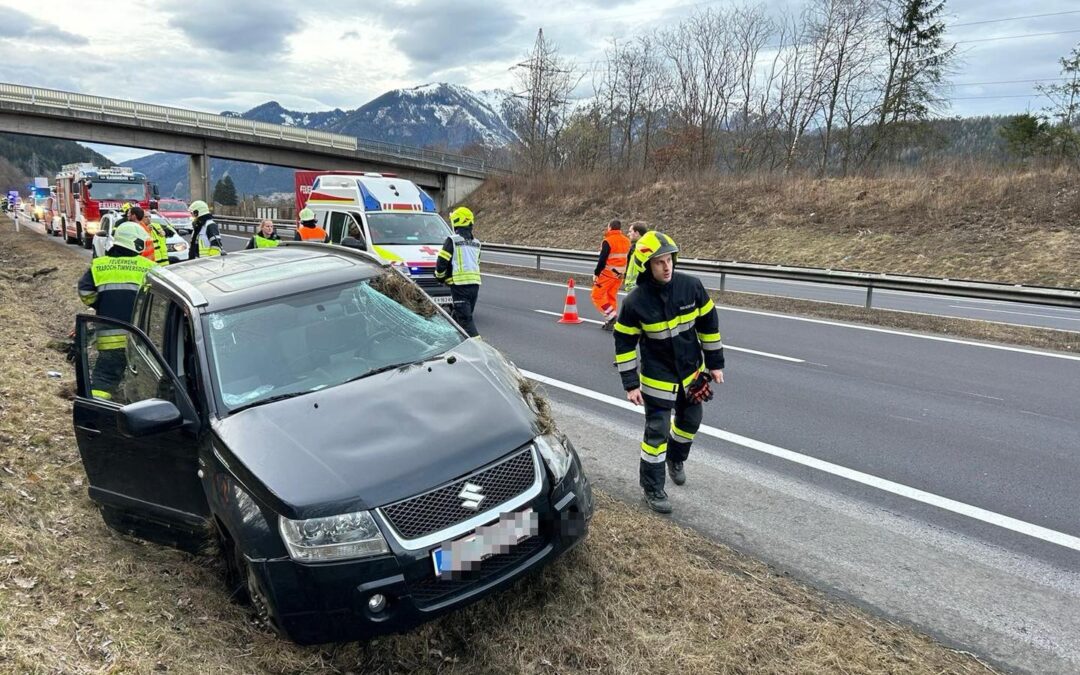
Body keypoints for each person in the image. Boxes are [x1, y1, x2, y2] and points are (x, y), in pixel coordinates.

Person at [613, 231, 725, 514]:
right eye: (658, 262)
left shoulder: (691, 287)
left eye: (669, 260)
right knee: (656, 432)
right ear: (646, 266)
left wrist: (715, 363)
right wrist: (630, 384)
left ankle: (675, 459)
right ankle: (652, 488)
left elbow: (709, 323)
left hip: (692, 373)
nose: (667, 267)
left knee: (691, 421)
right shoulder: (636, 302)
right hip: (657, 379)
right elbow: (624, 344)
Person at [77, 222, 157, 400]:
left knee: (105, 377)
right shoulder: (149, 267)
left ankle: (97, 410)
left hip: (109, 338)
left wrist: (101, 304)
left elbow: (85, 292)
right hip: (140, 340)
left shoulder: (99, 265)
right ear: (137, 243)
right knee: (144, 381)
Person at [435, 206, 482, 337]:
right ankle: (450, 342)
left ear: (457, 221)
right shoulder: (477, 243)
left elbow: (441, 262)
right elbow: (475, 263)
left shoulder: (452, 240)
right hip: (475, 286)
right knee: (457, 319)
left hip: (460, 287)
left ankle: (479, 349)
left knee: (466, 322)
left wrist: (440, 277)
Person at [591, 219, 631, 331]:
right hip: (620, 275)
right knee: (611, 296)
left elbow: (602, 260)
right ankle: (610, 321)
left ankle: (611, 316)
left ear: (610, 227)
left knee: (596, 295)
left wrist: (596, 273)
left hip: (608, 274)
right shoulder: (627, 241)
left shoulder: (607, 241)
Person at [623, 221, 650, 291]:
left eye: (630, 231)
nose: (628, 234)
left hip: (639, 289)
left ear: (637, 233)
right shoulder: (635, 248)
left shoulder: (644, 249)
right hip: (633, 289)